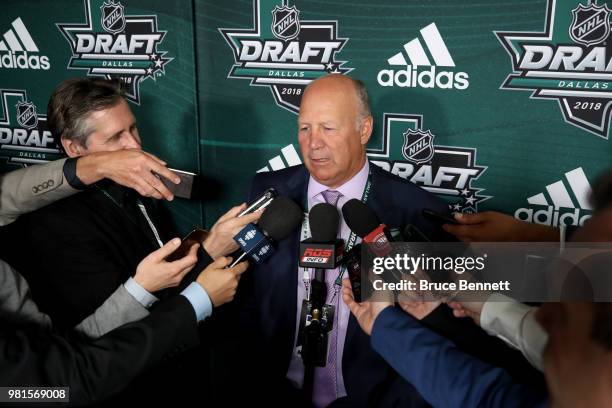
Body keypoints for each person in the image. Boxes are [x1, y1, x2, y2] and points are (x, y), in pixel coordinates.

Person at [236, 74, 538, 407]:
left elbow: (448, 326)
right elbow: (248, 296)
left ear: (364, 130)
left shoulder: (417, 211)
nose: (313, 143)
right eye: (304, 128)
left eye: (328, 128)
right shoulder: (267, 192)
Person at [0, 156, 248, 405]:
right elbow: (74, 378)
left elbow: (7, 194)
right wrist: (194, 301)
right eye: (116, 138)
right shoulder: (65, 229)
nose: (132, 155)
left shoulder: (133, 197)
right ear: (73, 146)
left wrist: (96, 165)